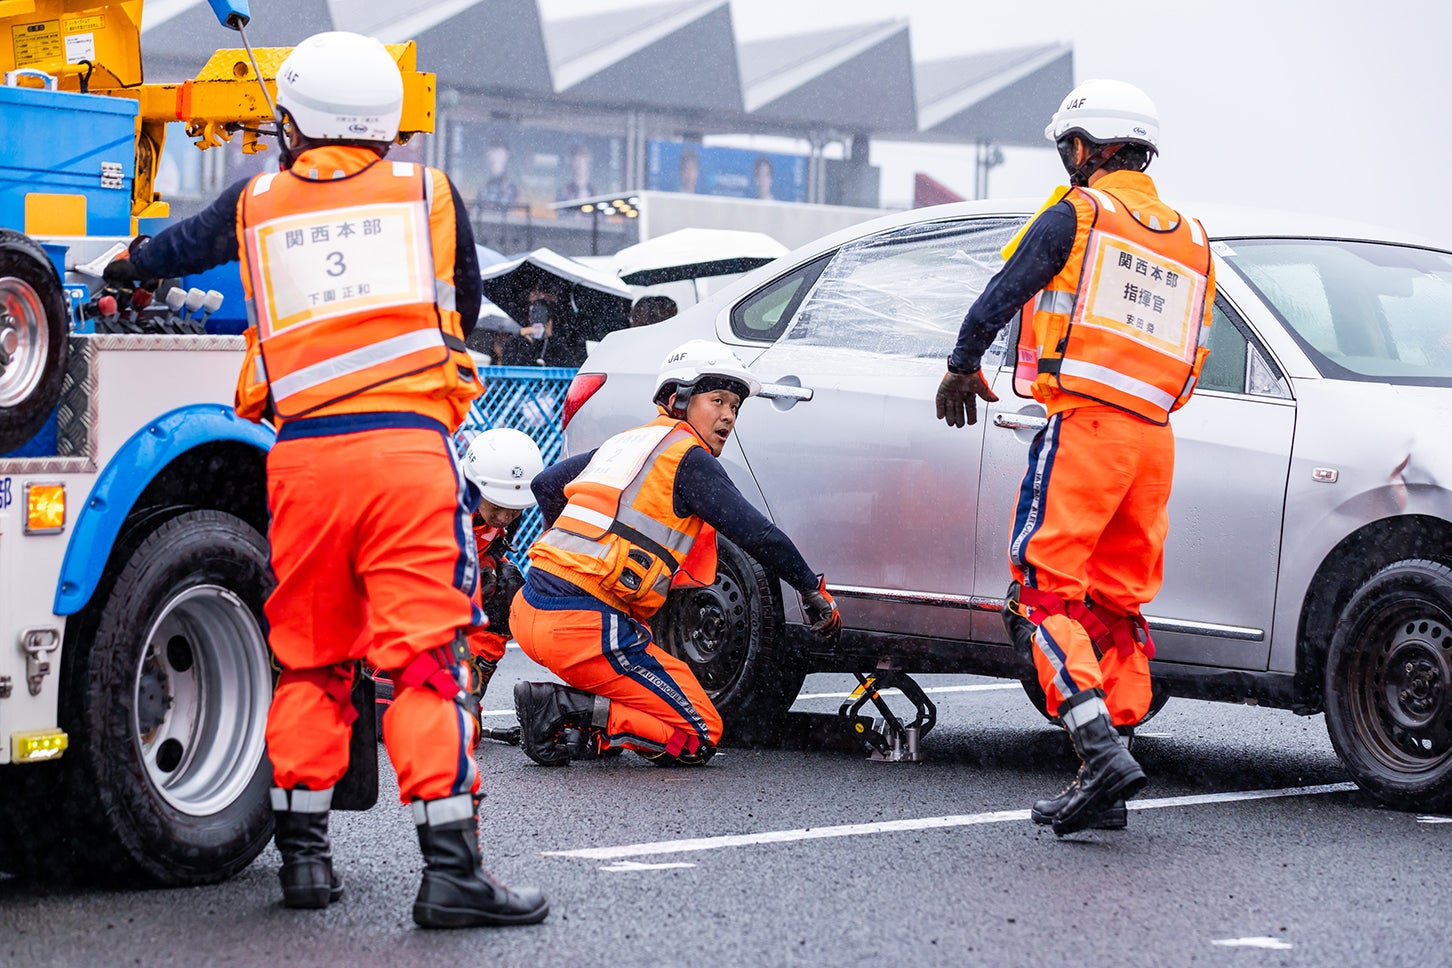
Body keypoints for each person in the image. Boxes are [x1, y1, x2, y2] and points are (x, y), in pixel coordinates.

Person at [103, 31, 547, 927]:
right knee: (423, 664)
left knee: (309, 659)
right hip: (406, 459)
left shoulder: (254, 201)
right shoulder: (430, 193)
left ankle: (303, 863)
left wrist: (117, 269)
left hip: (303, 462)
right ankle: (453, 874)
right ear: (387, 121)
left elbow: (167, 254)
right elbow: (460, 302)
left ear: (292, 118)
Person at [933, 79, 1215, 836]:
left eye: (1069, 150)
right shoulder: (1191, 236)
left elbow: (1006, 289)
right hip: (1154, 441)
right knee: (1115, 605)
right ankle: (1109, 779)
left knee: (1044, 594)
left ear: (1089, 148)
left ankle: (1095, 747)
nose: (1067, 165)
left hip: (1086, 425)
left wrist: (962, 361)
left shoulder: (1080, 213)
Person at [510, 339, 842, 767]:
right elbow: (758, 534)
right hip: (585, 630)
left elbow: (546, 485)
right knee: (699, 734)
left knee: (652, 689)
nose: (728, 416)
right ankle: (565, 708)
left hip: (532, 610)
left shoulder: (625, 443)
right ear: (678, 400)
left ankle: (583, 728)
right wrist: (812, 591)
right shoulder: (689, 459)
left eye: (735, 407)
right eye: (717, 400)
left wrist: (570, 559)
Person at [370, 427, 544, 721]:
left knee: (506, 586)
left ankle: (468, 685)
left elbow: (491, 551)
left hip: (453, 584)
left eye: (513, 511)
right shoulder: (434, 504)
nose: (505, 518)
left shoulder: (506, 510)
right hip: (399, 595)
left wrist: (485, 569)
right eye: (499, 507)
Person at [477, 135, 518, 212]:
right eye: (490, 154)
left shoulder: (512, 189)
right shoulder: (483, 187)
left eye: (498, 154)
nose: (493, 159)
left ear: (506, 156)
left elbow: (513, 213)